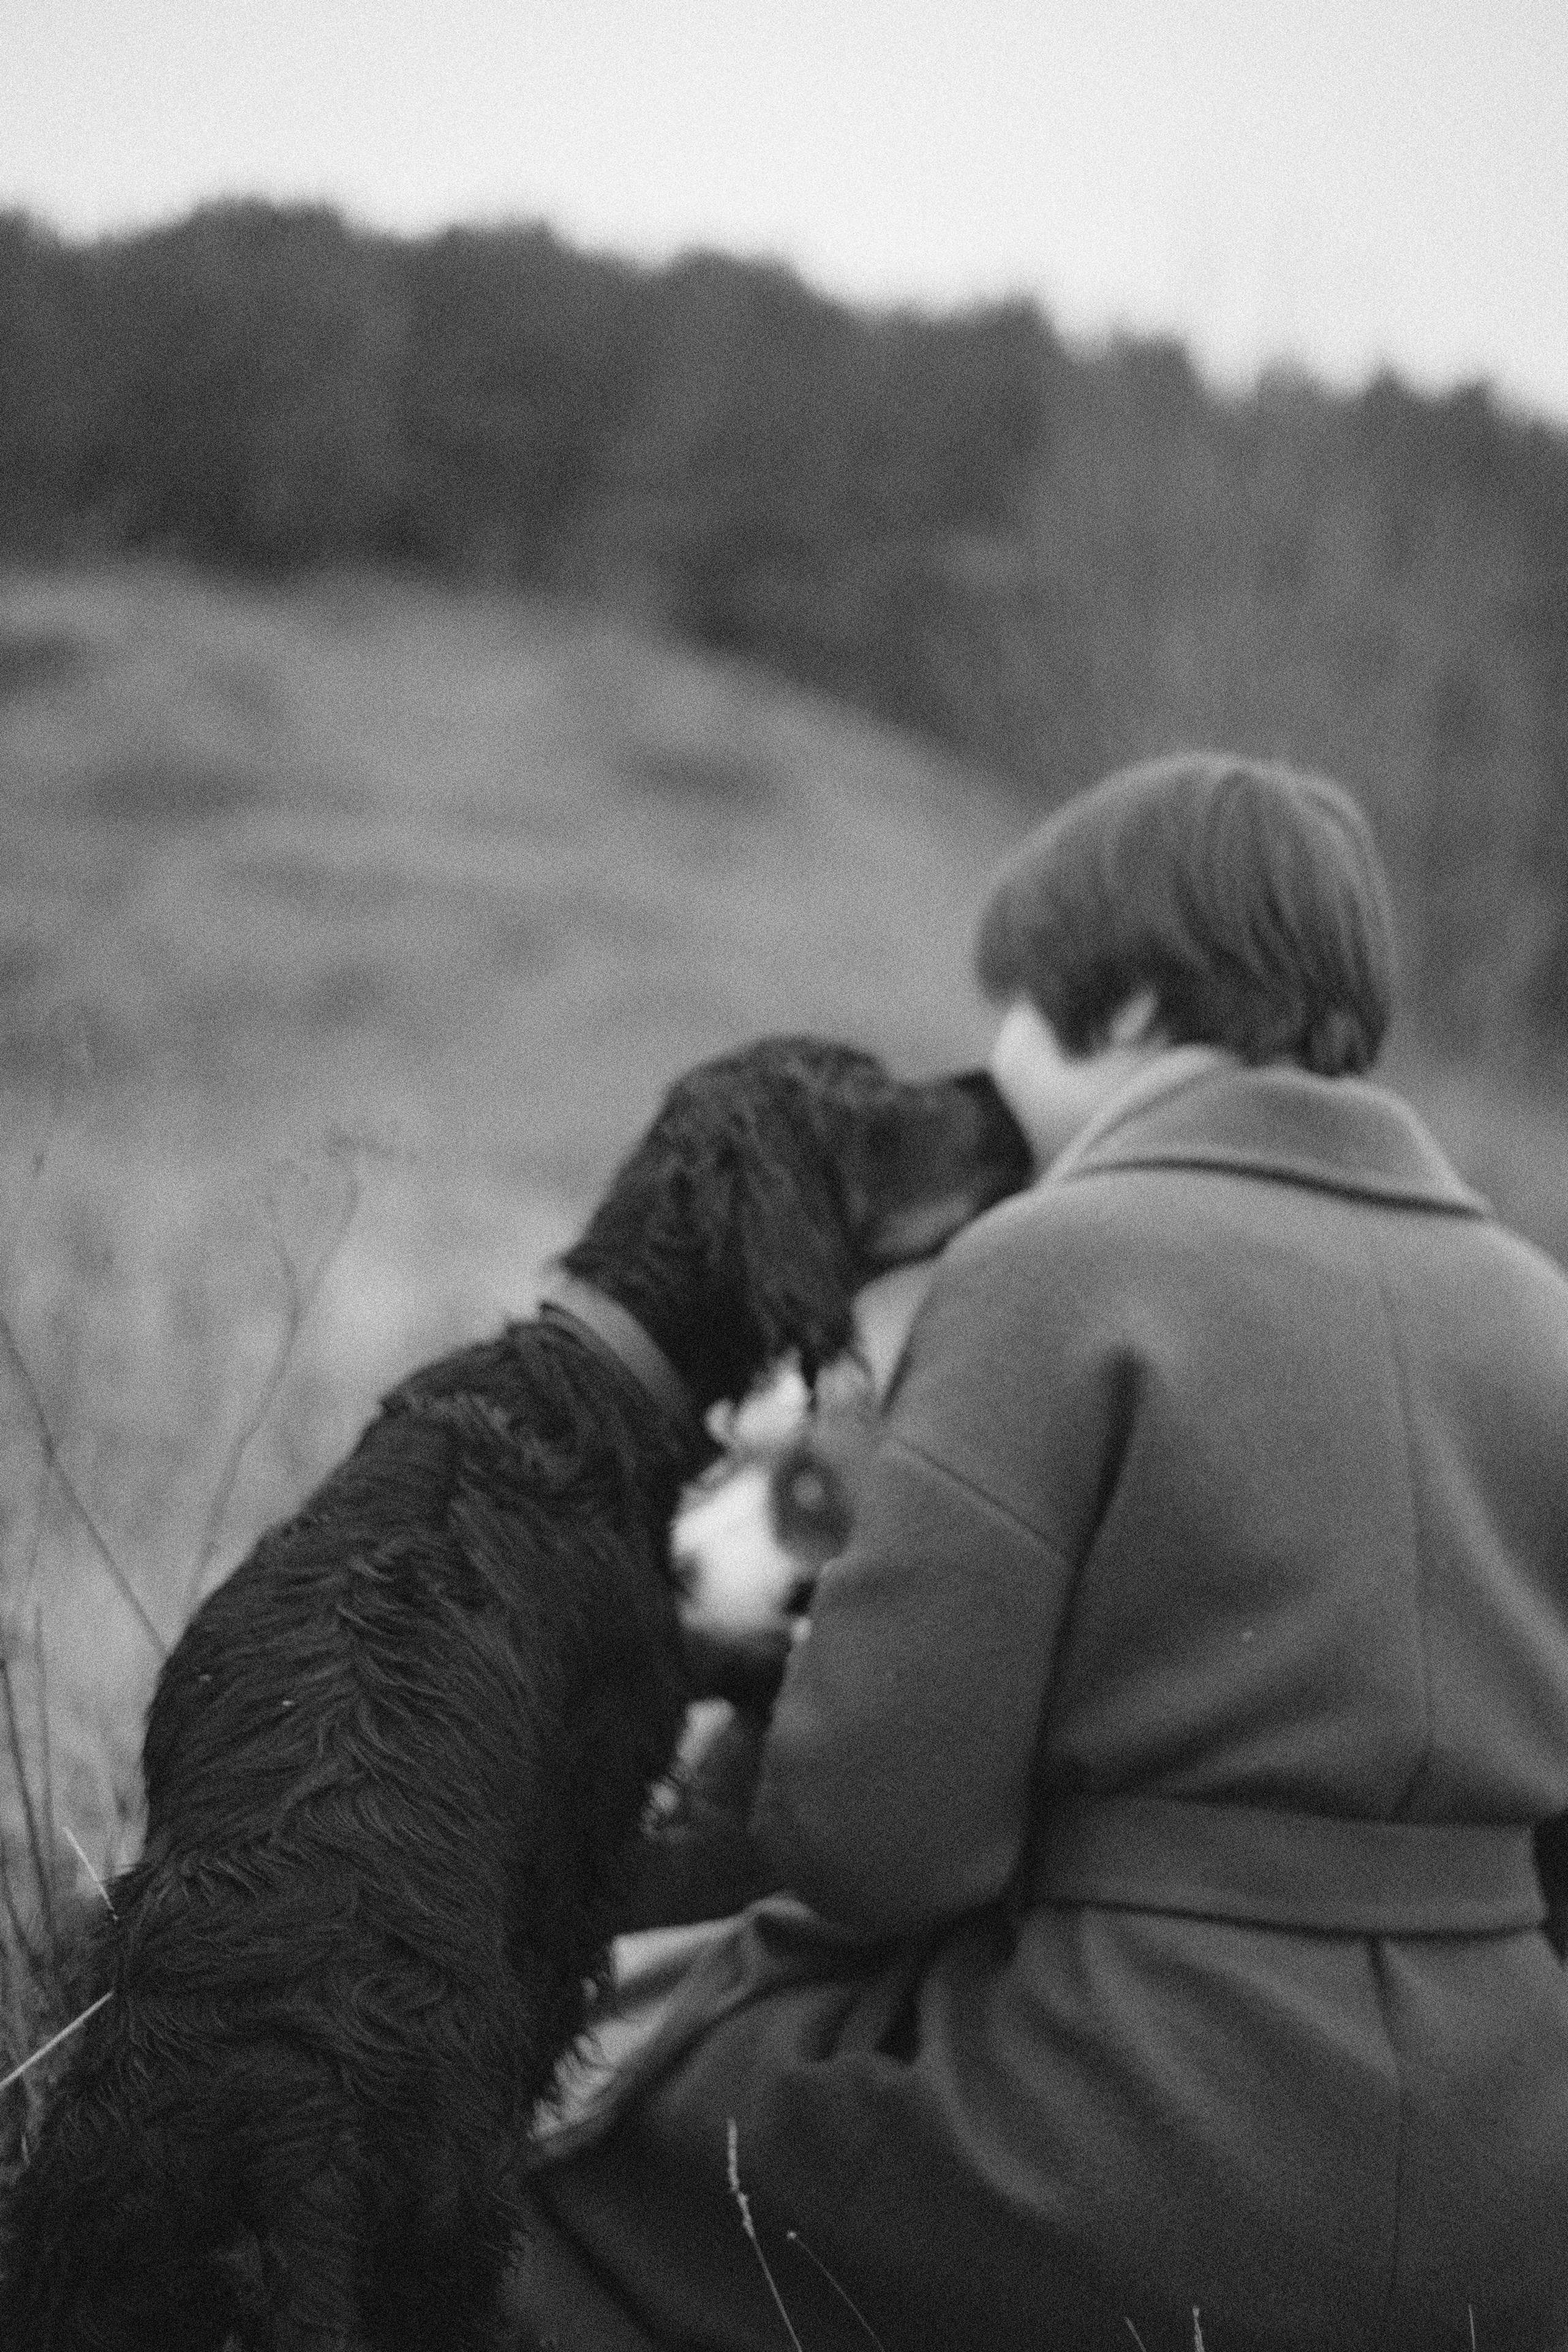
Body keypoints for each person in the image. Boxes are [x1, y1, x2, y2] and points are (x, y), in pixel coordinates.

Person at [511, 752, 1568, 2352]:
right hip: (1515, 2187)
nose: (994, 1054)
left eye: (1009, 1001)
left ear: (1126, 1005)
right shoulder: (1544, 1314)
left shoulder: (1056, 1265)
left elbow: (876, 1840)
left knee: (529, 2172)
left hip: (1120, 2147)